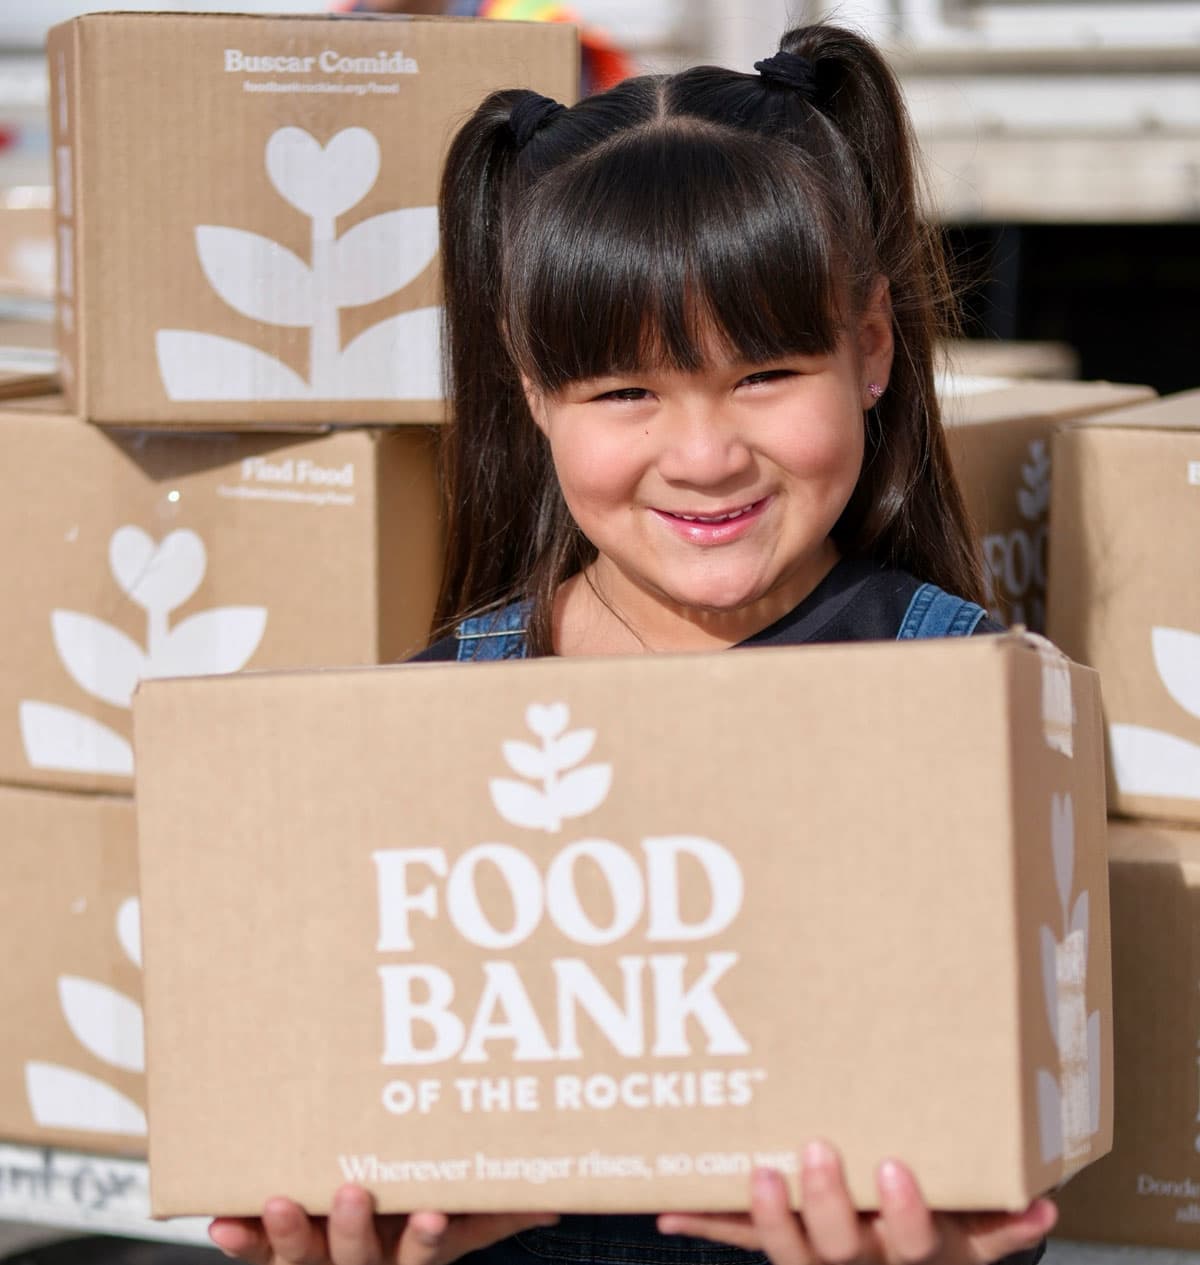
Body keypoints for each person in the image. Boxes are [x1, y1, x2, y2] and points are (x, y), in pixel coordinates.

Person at [208, 21, 1057, 1265]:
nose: (704, 455)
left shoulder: (971, 707)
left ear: (871, 346)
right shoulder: (429, 727)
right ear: (531, 389)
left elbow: (1013, 1143)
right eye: (625, 393)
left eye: (764, 374)